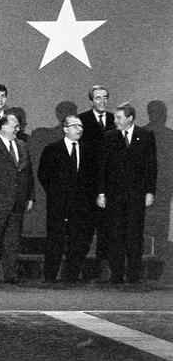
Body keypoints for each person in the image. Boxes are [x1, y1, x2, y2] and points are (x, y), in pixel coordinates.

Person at [96, 103, 157, 284]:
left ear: (130, 118)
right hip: (114, 195)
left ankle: (133, 275)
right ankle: (116, 274)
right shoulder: (109, 137)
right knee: (115, 234)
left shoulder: (145, 136)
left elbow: (151, 166)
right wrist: (101, 192)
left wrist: (150, 191)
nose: (115, 121)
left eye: (119, 117)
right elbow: (102, 168)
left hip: (137, 195)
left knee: (134, 235)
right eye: (115, 117)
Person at [38, 115, 97, 283]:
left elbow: (92, 177)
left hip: (81, 206)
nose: (79, 129)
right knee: (55, 240)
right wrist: (57, 194)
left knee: (78, 240)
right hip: (58, 204)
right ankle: (50, 276)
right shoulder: (52, 149)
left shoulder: (88, 150)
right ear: (65, 129)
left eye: (80, 126)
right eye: (74, 126)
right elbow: (43, 174)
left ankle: (71, 276)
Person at [0, 109, 34, 283]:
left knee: (12, 241)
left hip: (17, 201)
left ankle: (11, 274)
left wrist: (30, 196)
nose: (17, 128)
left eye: (18, 125)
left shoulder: (22, 145)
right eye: (14, 125)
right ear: (2, 126)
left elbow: (28, 173)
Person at [79, 85, 115, 273]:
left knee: (106, 227)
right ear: (91, 100)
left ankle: (103, 268)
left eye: (105, 97)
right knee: (86, 225)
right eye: (98, 98)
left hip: (109, 182)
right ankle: (82, 268)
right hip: (88, 182)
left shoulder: (114, 119)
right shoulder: (82, 119)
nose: (102, 101)